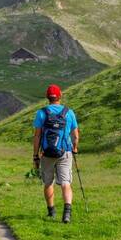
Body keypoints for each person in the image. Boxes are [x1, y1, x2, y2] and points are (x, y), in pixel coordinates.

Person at [33, 84, 79, 223]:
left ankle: (51, 212)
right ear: (60, 96)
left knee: (48, 183)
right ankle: (67, 214)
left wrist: (36, 155)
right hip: (65, 152)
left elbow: (37, 136)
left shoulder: (41, 113)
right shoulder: (69, 113)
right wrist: (75, 148)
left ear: (47, 97)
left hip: (47, 153)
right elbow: (75, 136)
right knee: (65, 183)